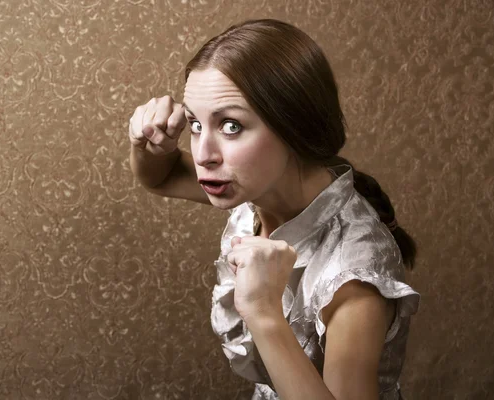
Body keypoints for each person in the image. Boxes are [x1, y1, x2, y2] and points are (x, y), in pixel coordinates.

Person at [128, 18, 420, 400]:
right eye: (196, 124)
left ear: (293, 127)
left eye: (231, 126)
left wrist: (264, 314)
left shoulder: (353, 278)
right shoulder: (258, 185)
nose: (202, 155)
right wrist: (149, 144)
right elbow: (161, 178)